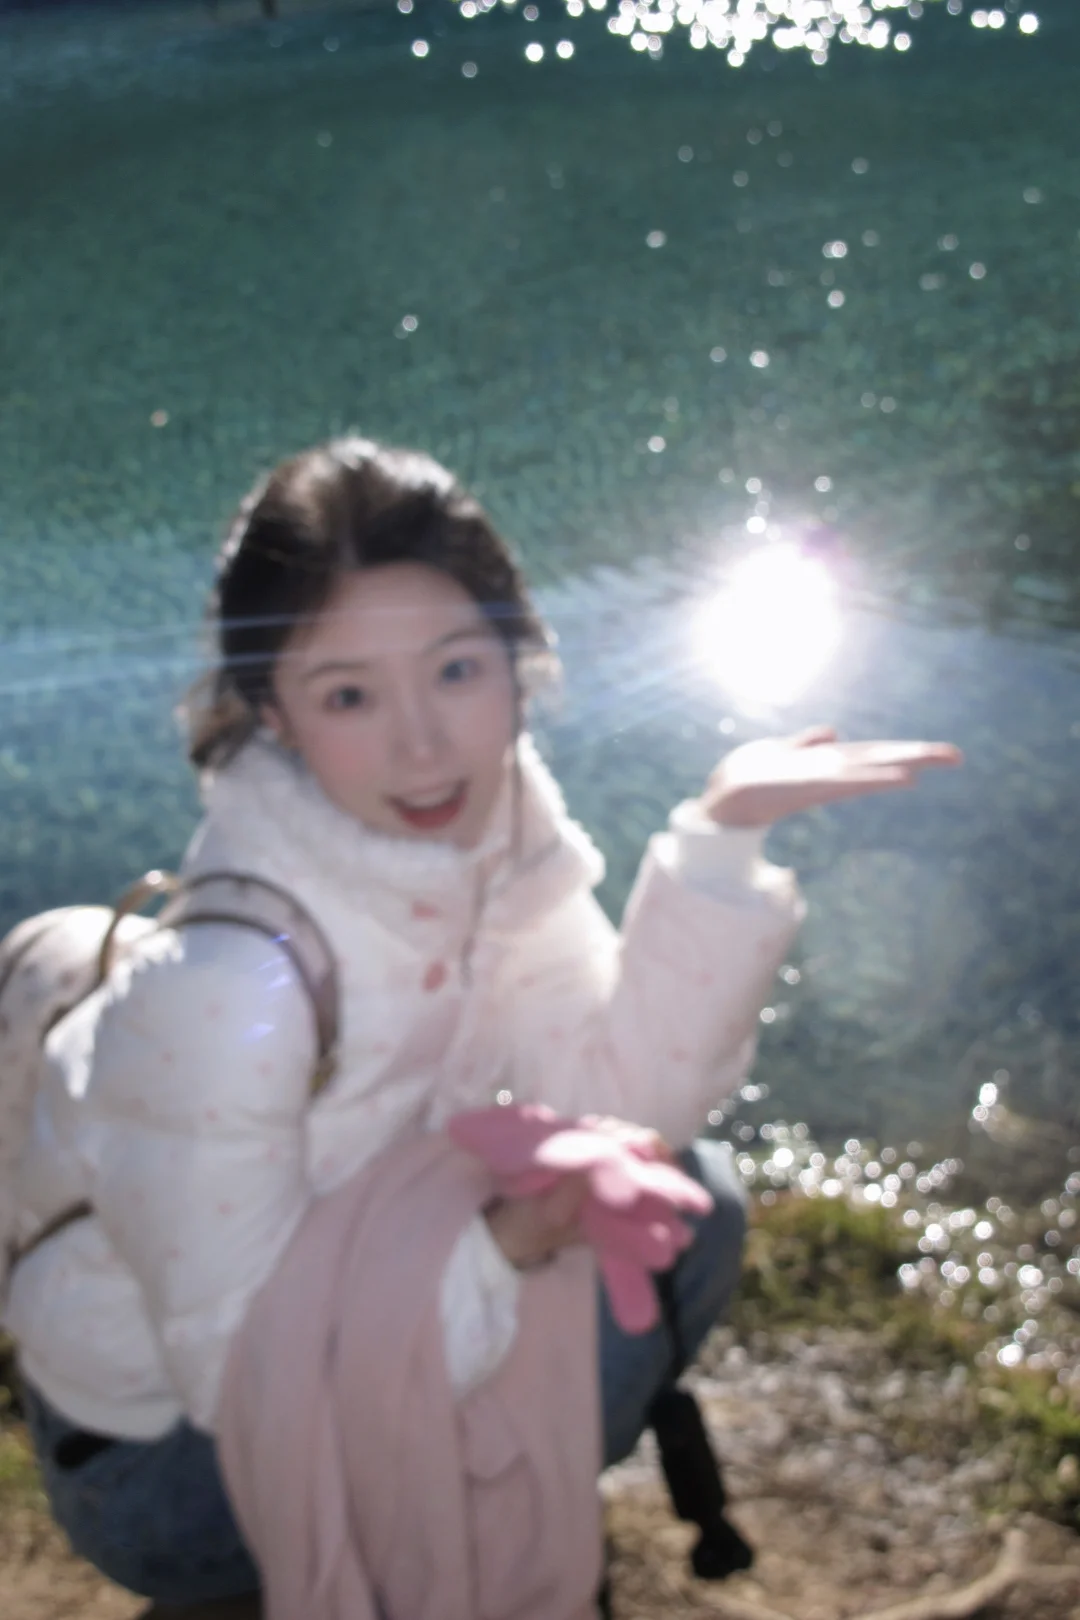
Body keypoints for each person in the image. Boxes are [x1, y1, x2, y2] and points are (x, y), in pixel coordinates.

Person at [2, 437, 961, 1615]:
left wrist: (720, 844)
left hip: (350, 1299)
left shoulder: (493, 837)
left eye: (457, 670)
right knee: (631, 1262)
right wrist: (506, 1246)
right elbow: (245, 1382)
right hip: (167, 1464)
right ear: (274, 714)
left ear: (517, 654)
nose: (424, 744)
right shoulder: (224, 991)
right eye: (350, 695)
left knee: (684, 1204)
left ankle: (466, 1515)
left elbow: (624, 1104)